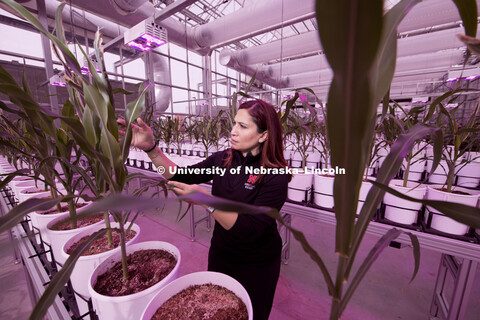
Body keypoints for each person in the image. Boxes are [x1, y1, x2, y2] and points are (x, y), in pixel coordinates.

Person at [119, 99, 290, 320]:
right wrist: (151, 149)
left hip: (257, 263)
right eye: (234, 123)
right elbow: (179, 175)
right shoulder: (223, 159)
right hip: (222, 252)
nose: (233, 131)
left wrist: (206, 200)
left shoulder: (275, 176)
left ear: (264, 135)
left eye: (243, 126)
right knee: (218, 310)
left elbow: (251, 230)